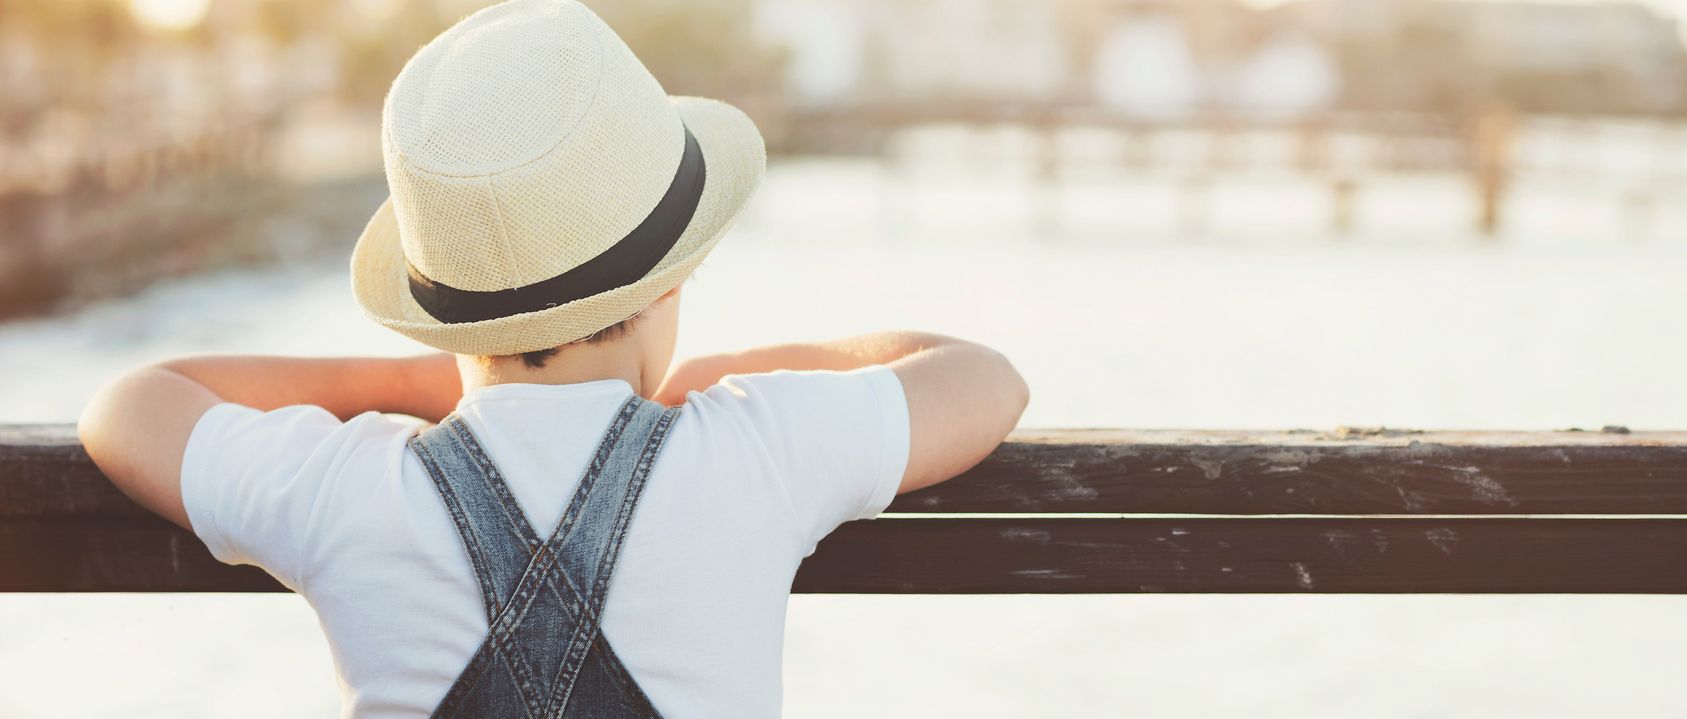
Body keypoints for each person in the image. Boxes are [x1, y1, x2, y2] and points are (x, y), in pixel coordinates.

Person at [77, 1, 1029, 717]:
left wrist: (417, 386)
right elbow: (982, 378)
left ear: (442, 324)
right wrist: (722, 374)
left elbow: (131, 407)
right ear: (668, 285)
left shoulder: (342, 488)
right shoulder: (755, 450)